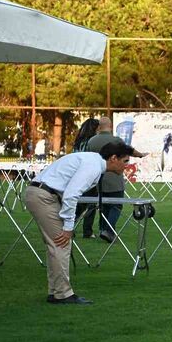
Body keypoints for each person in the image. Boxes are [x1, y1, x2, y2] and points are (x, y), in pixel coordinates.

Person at [24, 142, 135, 305]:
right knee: (61, 243)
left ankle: (56, 292)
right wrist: (68, 227)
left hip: (41, 194)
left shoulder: (93, 161)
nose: (127, 166)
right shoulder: (93, 167)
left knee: (56, 244)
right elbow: (71, 195)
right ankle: (62, 294)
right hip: (44, 196)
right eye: (125, 161)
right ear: (113, 158)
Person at [83, 117, 148, 243]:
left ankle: (102, 229)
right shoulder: (116, 140)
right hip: (114, 177)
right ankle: (109, 230)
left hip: (98, 179)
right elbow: (129, 150)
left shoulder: (92, 141)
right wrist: (140, 154)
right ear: (111, 126)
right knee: (116, 205)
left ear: (99, 127)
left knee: (104, 205)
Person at [72, 118, 100, 239]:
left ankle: (70, 226)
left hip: (77, 174)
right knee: (91, 203)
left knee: (79, 204)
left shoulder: (78, 142)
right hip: (89, 175)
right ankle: (87, 231)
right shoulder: (92, 142)